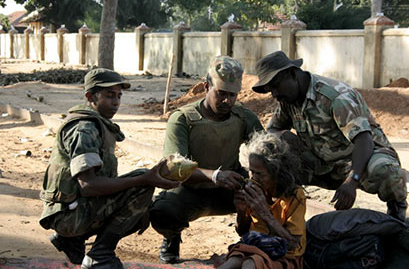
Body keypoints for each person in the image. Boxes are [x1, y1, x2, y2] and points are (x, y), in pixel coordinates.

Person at [39, 68, 180, 269]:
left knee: (142, 210)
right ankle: (100, 254)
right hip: (67, 216)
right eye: (109, 96)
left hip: (76, 209)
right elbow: (88, 185)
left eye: (119, 96)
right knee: (141, 185)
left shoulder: (98, 124)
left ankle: (71, 241)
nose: (116, 102)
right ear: (90, 96)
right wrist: (144, 180)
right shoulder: (84, 129)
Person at [252, 50, 408, 221]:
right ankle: (283, 216)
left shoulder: (335, 96)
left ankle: (396, 210)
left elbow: (364, 140)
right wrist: (283, 137)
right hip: (322, 164)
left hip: (358, 161)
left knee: (385, 171)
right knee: (272, 156)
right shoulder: (288, 99)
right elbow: (272, 130)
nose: (274, 94)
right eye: (269, 90)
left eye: (275, 86)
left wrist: (352, 181)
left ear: (291, 73)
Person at [149, 56, 264, 263]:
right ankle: (172, 236)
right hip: (191, 189)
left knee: (266, 197)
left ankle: (253, 241)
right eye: (221, 94)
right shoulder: (183, 119)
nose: (227, 101)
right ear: (206, 86)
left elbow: (265, 155)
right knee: (162, 210)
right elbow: (172, 168)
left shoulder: (244, 118)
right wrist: (215, 176)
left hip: (230, 189)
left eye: (233, 95)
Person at [218, 131, 306, 269]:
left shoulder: (295, 195)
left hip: (284, 255)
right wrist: (241, 211)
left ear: (276, 173)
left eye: (260, 174)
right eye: (251, 171)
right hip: (256, 246)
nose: (253, 178)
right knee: (234, 260)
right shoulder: (255, 191)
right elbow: (243, 232)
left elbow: (293, 243)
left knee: (251, 263)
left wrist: (265, 213)